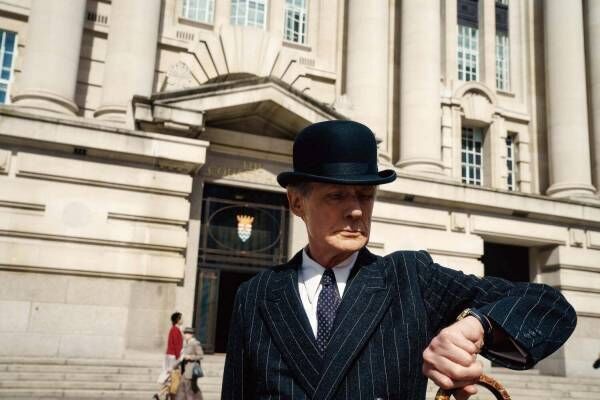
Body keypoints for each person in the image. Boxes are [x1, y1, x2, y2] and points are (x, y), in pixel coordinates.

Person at [221, 120, 577, 400]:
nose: (356, 209)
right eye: (337, 195)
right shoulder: (255, 296)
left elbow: (550, 306)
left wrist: (478, 326)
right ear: (297, 202)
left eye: (365, 195)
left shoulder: (409, 278)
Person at [176, 327, 205, 400]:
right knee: (185, 388)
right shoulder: (186, 344)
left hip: (191, 370)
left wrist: (189, 357)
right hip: (185, 370)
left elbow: (201, 356)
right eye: (184, 333)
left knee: (188, 389)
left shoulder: (195, 343)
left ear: (191, 335)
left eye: (186, 334)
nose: (185, 335)